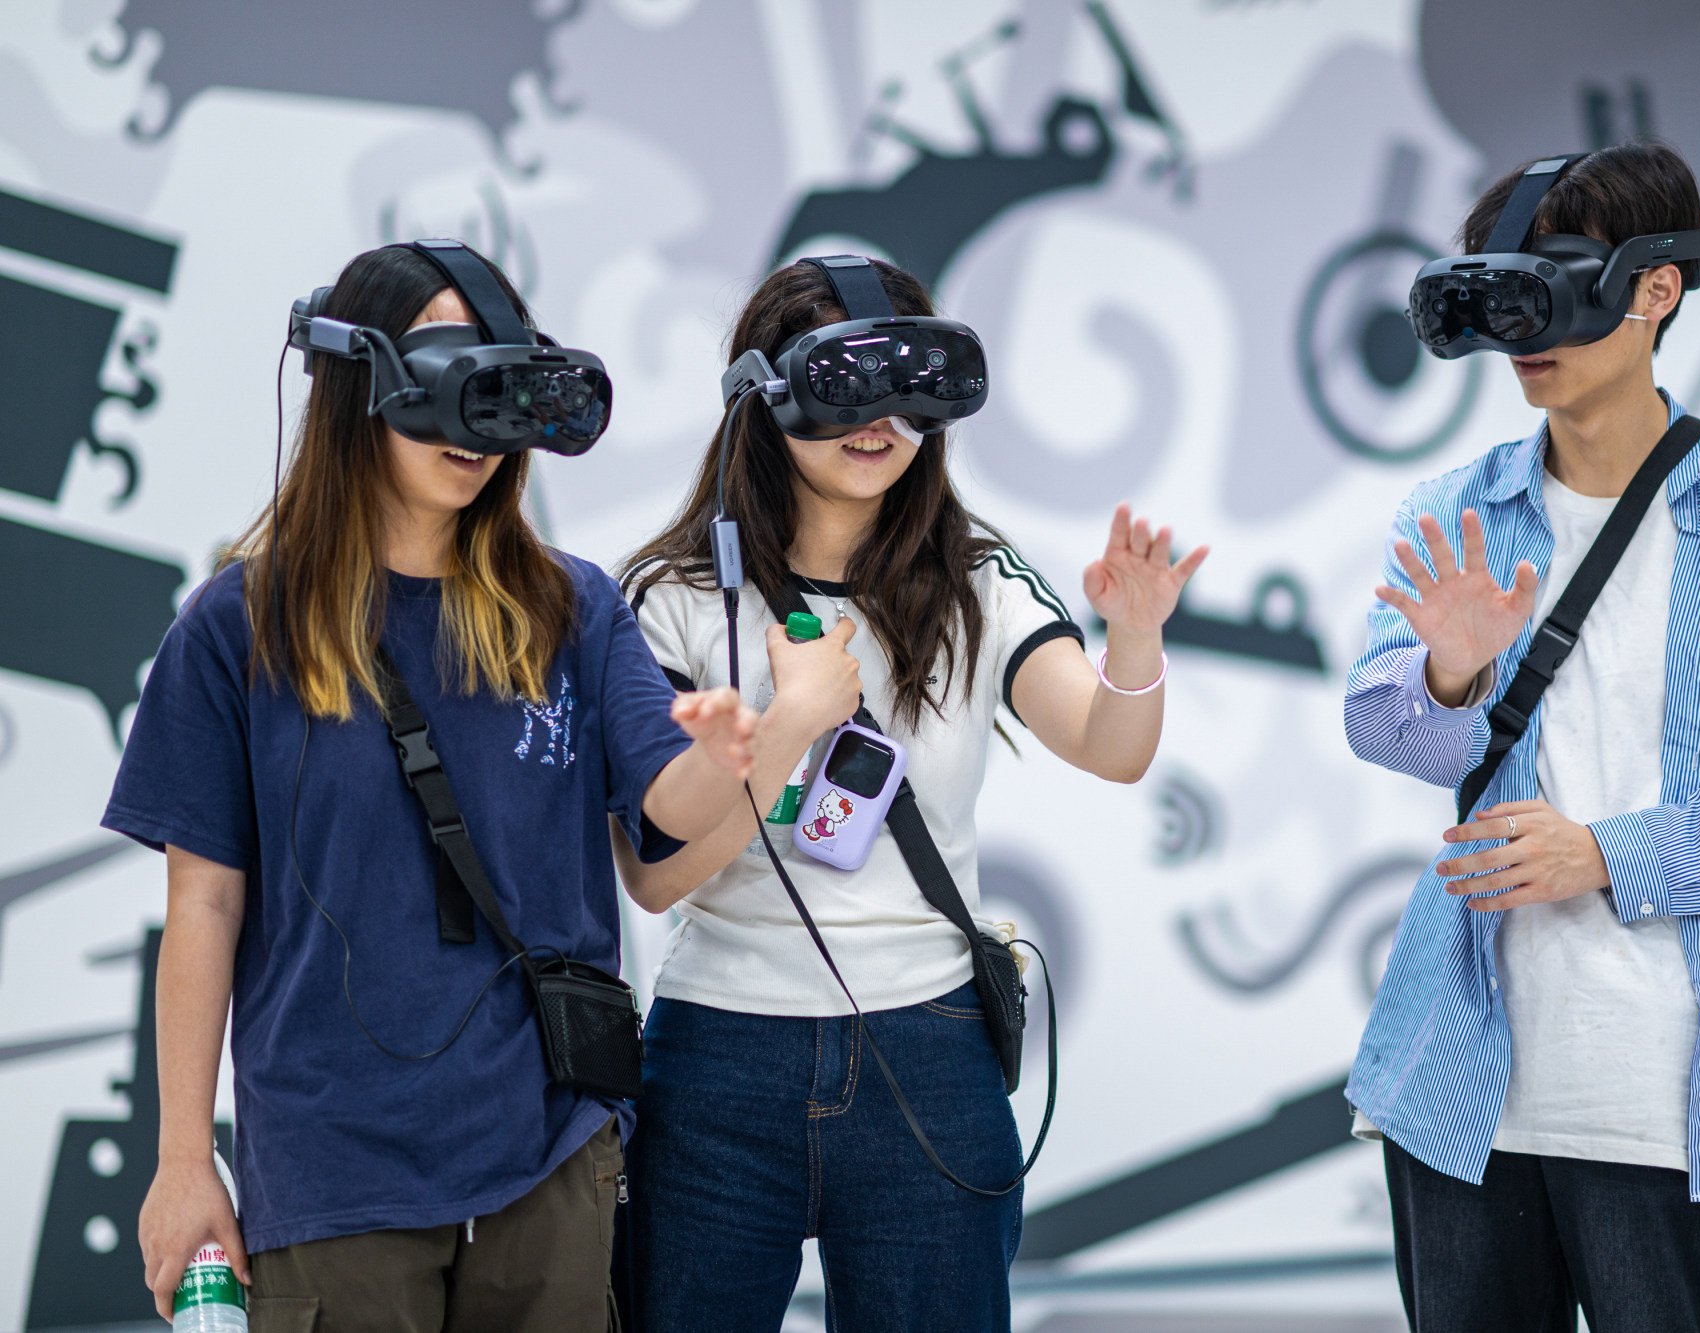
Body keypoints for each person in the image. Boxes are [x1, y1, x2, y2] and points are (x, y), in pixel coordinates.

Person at [104, 242, 758, 1329]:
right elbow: (204, 905)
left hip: (548, 1156)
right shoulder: (238, 627)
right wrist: (181, 1162)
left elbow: (668, 817)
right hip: (332, 1172)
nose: (474, 429)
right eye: (447, 374)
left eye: (498, 385)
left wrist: (741, 752)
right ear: (355, 380)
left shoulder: (573, 609)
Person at [1343, 141, 1700, 1332]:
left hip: (1671, 1092)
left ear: (1655, 287)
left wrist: (1603, 853)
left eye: (1549, 290)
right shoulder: (1454, 509)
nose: (1521, 337)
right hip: (1459, 1080)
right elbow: (1388, 732)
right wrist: (1448, 673)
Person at [614, 256, 1207, 1331]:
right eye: (846, 382)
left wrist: (1134, 637)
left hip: (926, 1047)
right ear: (759, 393)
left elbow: (1109, 743)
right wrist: (788, 724)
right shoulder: (672, 597)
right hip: (717, 1057)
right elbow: (653, 876)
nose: (882, 417)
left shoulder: (978, 581)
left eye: (913, 383)